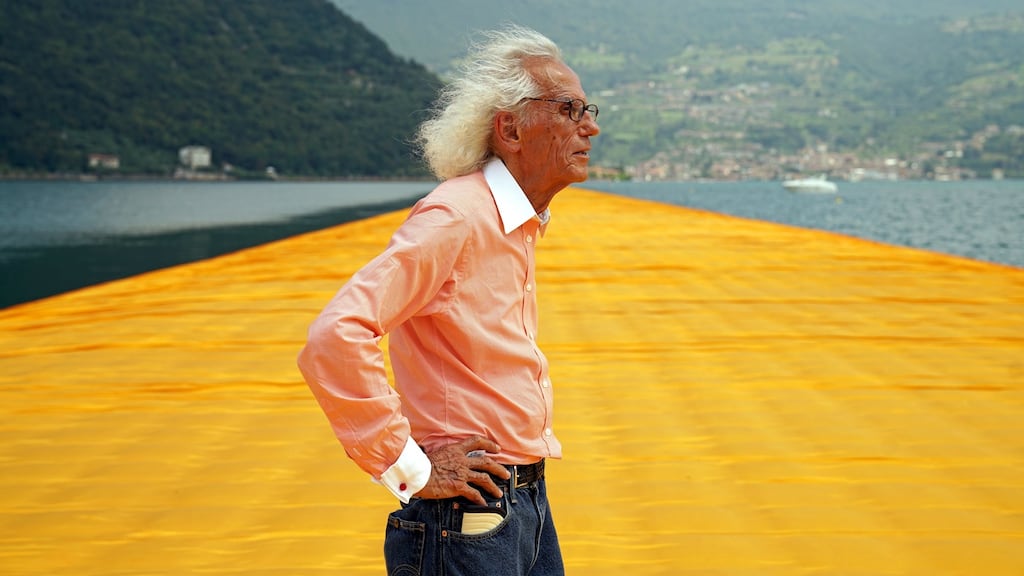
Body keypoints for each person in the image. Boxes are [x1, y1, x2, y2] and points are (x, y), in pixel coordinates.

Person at [297, 24, 599, 576]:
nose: (591, 127)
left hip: (522, 503)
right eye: (569, 110)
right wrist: (407, 466)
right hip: (465, 518)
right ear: (510, 128)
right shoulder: (455, 216)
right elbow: (335, 335)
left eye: (588, 109)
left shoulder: (516, 222)